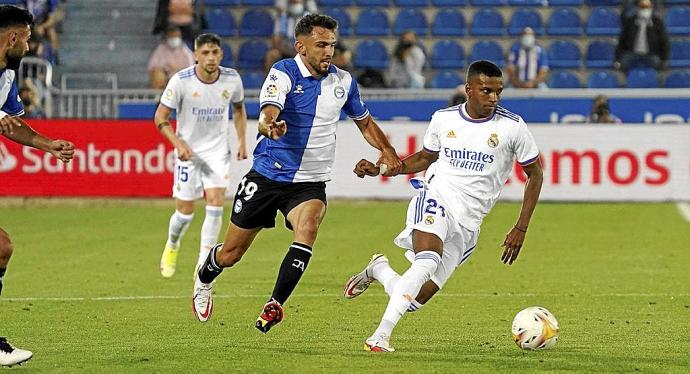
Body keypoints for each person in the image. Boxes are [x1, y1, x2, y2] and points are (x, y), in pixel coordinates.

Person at [191, 14, 403, 333]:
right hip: (267, 177)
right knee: (231, 254)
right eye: (321, 45)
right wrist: (268, 126)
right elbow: (267, 113)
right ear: (301, 47)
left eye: (331, 44)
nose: (328, 51)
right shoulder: (284, 72)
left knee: (309, 226)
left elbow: (365, 121)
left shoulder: (343, 82)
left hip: (309, 182)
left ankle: (275, 304)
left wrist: (386, 149)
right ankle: (204, 279)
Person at [343, 60, 544, 352]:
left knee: (414, 300)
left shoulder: (513, 127)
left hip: (469, 223)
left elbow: (535, 174)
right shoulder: (444, 119)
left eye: (498, 92)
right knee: (427, 261)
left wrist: (521, 227)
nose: (494, 98)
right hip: (435, 198)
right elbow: (425, 158)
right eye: (486, 91)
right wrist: (383, 170)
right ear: (469, 90)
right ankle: (380, 336)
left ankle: (380, 270)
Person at [0, 5, 75, 366]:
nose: (29, 46)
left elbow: (11, 124)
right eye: (28, 38)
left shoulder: (7, 75)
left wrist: (48, 144)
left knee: (0, 249)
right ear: (13, 37)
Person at [155, 33, 248, 279]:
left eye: (214, 52)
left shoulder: (231, 79)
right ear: (195, 55)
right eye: (205, 53)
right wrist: (178, 145)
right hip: (189, 154)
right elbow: (160, 118)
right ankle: (172, 244)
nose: (210, 57)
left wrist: (241, 140)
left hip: (217, 152)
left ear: (221, 54)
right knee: (185, 213)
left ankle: (202, 262)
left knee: (216, 203)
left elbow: (239, 109)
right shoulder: (181, 81)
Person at [614, 0, 669, 73]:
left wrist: (664, 60)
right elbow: (622, 41)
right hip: (632, 53)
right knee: (622, 64)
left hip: (651, 54)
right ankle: (630, 80)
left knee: (658, 64)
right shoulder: (630, 21)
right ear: (637, 8)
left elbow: (664, 42)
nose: (644, 10)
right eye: (642, 7)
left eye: (647, 7)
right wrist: (617, 59)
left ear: (651, 7)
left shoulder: (657, 22)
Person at [264, 0, 311, 72]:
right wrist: (287, 51)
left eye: (297, 3)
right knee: (272, 55)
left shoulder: (309, 18)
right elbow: (275, 40)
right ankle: (270, 81)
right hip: (284, 51)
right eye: (293, 2)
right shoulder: (282, 18)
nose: (295, 4)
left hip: (303, 51)